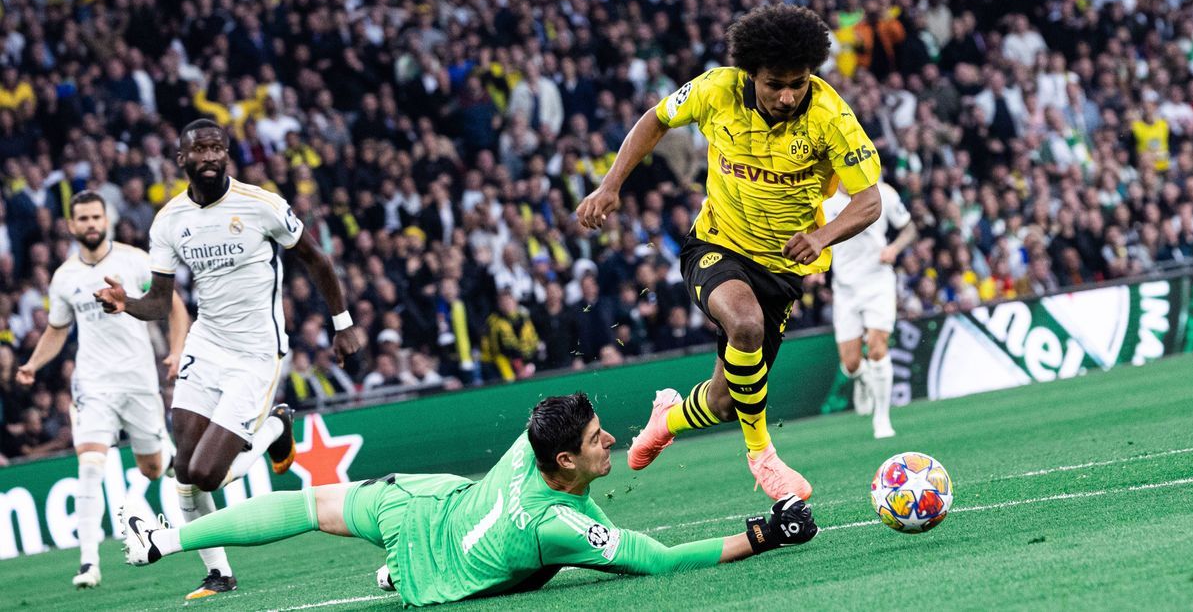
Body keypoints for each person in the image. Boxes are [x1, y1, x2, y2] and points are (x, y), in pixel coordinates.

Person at [576, 4, 882, 500]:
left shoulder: (831, 118)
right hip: (715, 244)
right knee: (744, 324)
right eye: (774, 84)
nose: (787, 96)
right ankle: (763, 458)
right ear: (750, 74)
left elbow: (869, 201)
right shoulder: (716, 89)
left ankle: (666, 419)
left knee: (723, 400)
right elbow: (655, 119)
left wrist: (822, 238)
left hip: (782, 267)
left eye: (798, 83)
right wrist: (611, 185)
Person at [121, 393, 818, 607]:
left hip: (419, 507)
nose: (611, 440)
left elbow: (550, 421)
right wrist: (766, 533)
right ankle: (398, 574)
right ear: (567, 460)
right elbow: (661, 561)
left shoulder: (534, 442)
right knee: (534, 566)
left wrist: (657, 421)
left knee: (308, 506)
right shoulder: (560, 525)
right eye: (600, 437)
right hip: (435, 572)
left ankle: (163, 540)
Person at [94, 119, 364, 600]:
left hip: (256, 354)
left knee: (208, 474)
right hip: (207, 345)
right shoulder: (170, 221)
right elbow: (159, 301)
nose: (212, 156)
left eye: (218, 147)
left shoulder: (261, 204)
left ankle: (277, 427)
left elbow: (317, 259)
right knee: (185, 471)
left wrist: (342, 324)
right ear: (182, 160)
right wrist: (124, 303)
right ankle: (220, 574)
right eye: (200, 149)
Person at [16, 191, 190, 589]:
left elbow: (174, 306)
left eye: (97, 216)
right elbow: (57, 331)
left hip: (139, 380)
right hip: (93, 383)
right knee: (90, 464)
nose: (91, 223)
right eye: (83, 218)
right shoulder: (64, 277)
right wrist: (32, 365)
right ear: (71, 225)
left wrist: (177, 349)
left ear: (105, 219)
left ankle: (169, 460)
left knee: (153, 466)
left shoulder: (134, 260)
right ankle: (88, 563)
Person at [822, 181, 917, 439]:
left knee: (877, 346)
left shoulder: (883, 193)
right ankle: (862, 379)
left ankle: (882, 418)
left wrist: (895, 248)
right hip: (845, 289)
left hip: (878, 281)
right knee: (851, 364)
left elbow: (909, 228)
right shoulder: (825, 200)